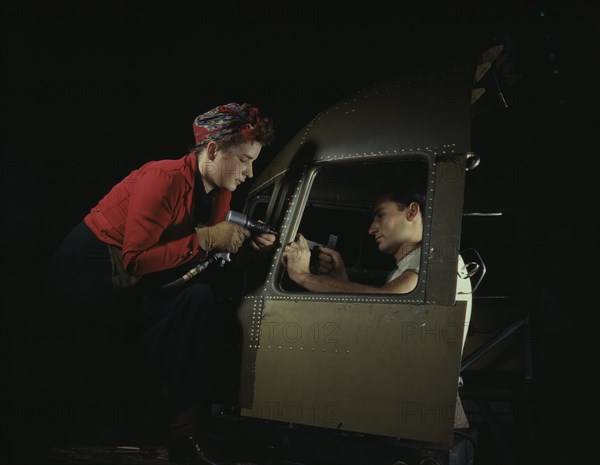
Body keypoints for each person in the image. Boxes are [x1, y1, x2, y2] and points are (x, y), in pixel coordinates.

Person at [46, 102, 276, 464]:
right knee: (99, 352)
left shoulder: (220, 191)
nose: (249, 172)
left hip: (137, 270)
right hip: (91, 264)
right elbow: (136, 258)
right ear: (213, 150)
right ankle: (78, 436)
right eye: (245, 160)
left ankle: (185, 434)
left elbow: (200, 248)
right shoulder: (164, 177)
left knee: (197, 300)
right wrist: (208, 239)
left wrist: (243, 248)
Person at [282, 188, 471, 429]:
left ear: (412, 212)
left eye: (380, 216)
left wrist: (304, 277)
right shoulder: (412, 264)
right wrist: (342, 282)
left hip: (423, 411)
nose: (372, 228)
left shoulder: (437, 258)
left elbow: (390, 301)